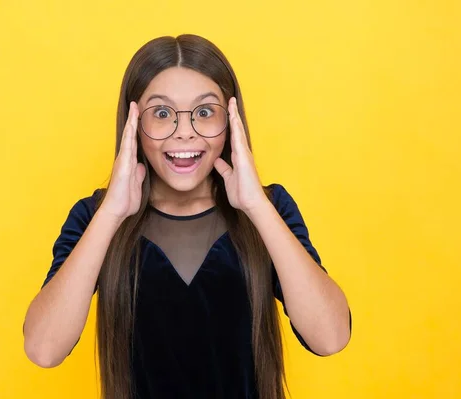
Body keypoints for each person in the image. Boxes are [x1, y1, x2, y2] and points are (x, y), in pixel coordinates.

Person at [23, 34, 352, 399]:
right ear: (133, 123)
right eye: (162, 114)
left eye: (205, 112)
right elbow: (43, 349)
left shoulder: (269, 208)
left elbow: (331, 337)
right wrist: (113, 212)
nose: (184, 132)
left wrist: (256, 205)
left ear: (231, 122)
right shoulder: (95, 217)